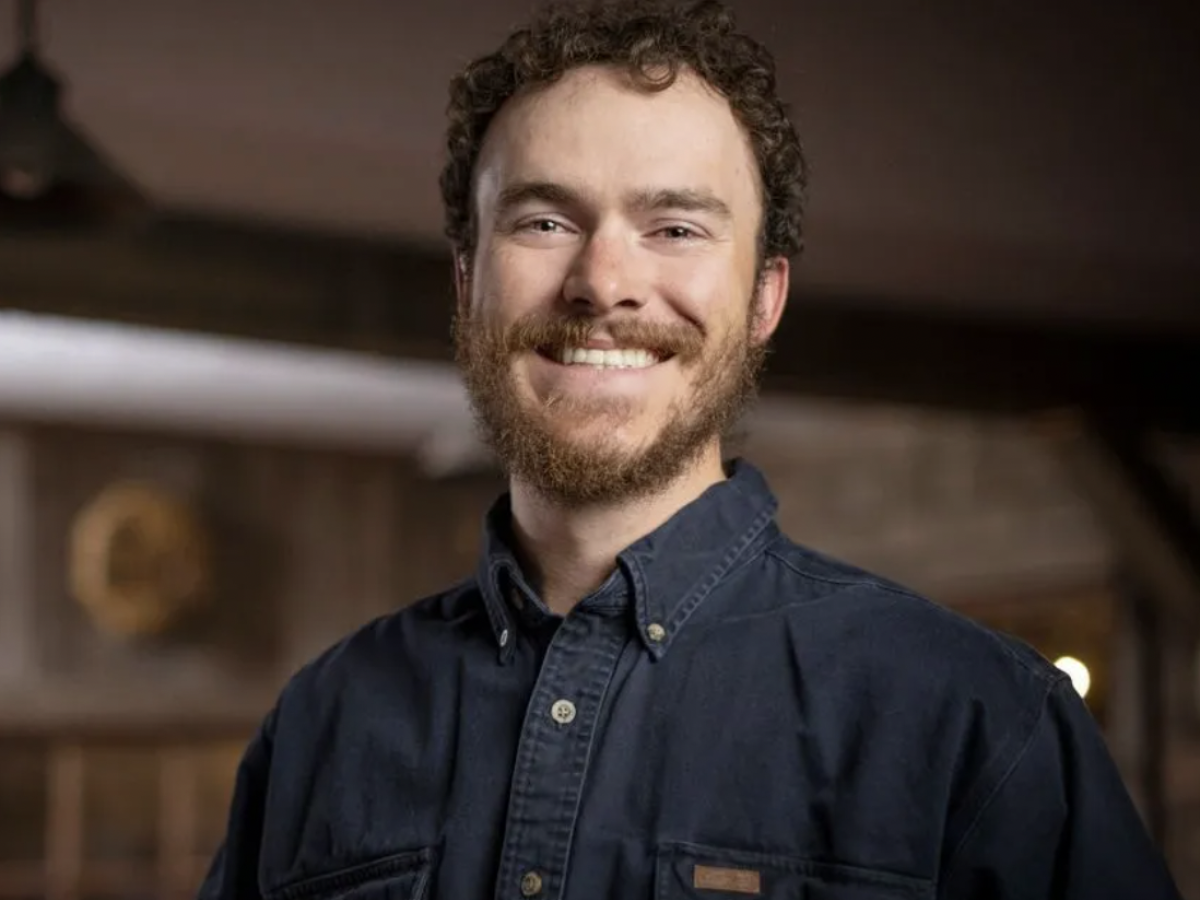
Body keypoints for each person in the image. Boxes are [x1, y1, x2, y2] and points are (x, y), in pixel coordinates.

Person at [200, 1, 1182, 898]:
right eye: (544, 221)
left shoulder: (977, 719)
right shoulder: (323, 724)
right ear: (467, 282)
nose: (603, 282)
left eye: (673, 227)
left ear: (764, 299)